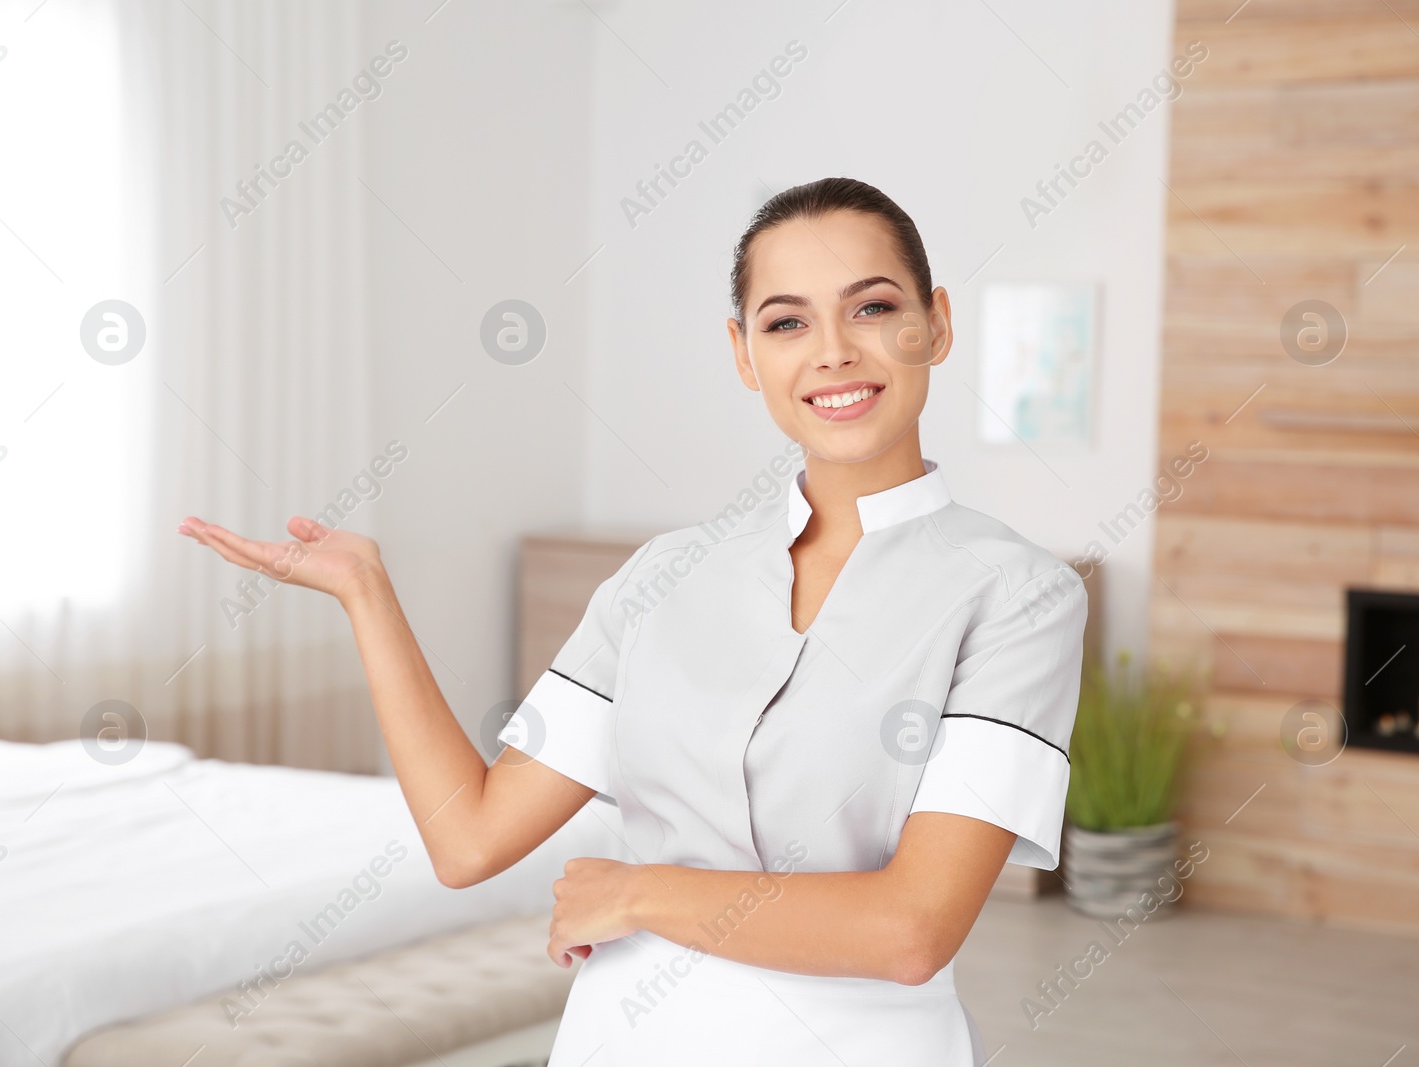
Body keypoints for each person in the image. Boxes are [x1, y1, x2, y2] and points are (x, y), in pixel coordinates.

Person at [180, 176, 1088, 1066]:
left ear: (935, 323)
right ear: (744, 354)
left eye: (872, 307)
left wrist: (640, 891)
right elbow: (471, 838)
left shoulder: (1018, 595)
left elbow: (912, 929)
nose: (834, 352)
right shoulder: (662, 579)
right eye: (786, 322)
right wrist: (366, 595)